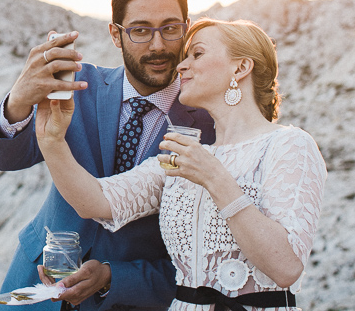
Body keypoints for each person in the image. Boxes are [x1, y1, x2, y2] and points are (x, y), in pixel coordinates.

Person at [35, 18, 327, 311]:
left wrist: (214, 177)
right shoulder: (186, 156)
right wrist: (52, 142)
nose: (181, 66)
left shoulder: (289, 145)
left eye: (197, 54)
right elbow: (96, 201)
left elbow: (287, 268)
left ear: (240, 68)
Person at [0, 0, 215, 310]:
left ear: (187, 27)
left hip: (127, 300)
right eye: (140, 30)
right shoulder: (78, 88)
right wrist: (18, 99)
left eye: (170, 29)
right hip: (33, 290)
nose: (158, 45)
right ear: (115, 34)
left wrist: (113, 276)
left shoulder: (209, 128)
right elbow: (7, 158)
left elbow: (198, 259)